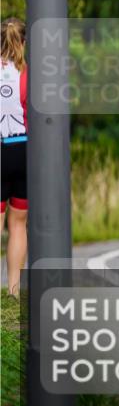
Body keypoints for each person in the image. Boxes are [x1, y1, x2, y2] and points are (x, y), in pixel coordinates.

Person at [1, 18, 28, 296]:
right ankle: (13, 290)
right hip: (23, 150)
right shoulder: (29, 74)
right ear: (24, 42)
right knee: (18, 223)